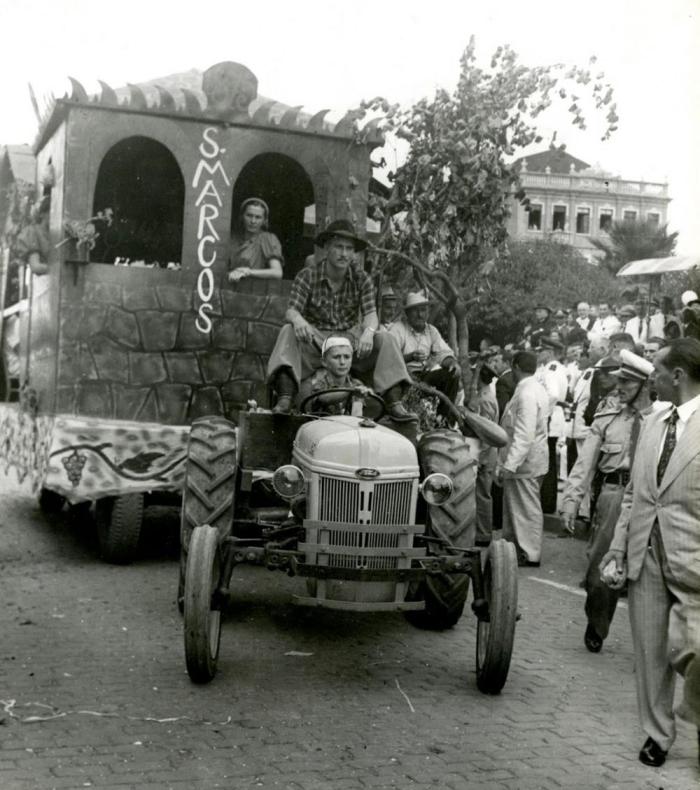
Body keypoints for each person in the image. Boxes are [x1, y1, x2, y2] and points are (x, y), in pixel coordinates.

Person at [600, 338, 700, 769]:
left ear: (677, 375)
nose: (651, 378)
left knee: (695, 651)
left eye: (657, 370)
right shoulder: (654, 424)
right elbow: (634, 496)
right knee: (651, 654)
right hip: (646, 556)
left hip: (694, 562)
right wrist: (618, 551)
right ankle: (657, 733)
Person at [266, 219, 416, 421]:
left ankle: (394, 402)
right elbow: (292, 310)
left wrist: (369, 333)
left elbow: (371, 315)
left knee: (386, 339)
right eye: (338, 247)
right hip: (316, 341)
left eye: (349, 249)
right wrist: (299, 320)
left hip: (349, 343)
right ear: (327, 248)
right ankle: (285, 397)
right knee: (288, 330)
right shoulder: (307, 276)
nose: (344, 254)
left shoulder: (362, 278)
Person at [561, 350, 654, 654]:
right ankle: (597, 622)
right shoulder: (607, 417)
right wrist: (572, 500)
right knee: (599, 570)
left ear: (644, 384)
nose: (619, 387)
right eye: (618, 381)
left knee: (651, 573)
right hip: (614, 495)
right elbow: (585, 462)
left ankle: (652, 644)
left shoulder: (662, 418)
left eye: (626, 382)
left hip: (651, 498)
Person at [494, 351, 550, 566]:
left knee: (525, 509)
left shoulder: (527, 392)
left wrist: (510, 464)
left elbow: (524, 433)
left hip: (525, 462)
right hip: (530, 460)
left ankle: (529, 552)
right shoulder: (535, 388)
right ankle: (516, 549)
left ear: (515, 366)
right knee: (517, 508)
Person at [389, 290, 461, 418]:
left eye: (423, 310)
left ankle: (443, 419)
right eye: (415, 311)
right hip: (403, 378)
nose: (420, 315)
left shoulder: (431, 331)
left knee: (452, 374)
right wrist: (410, 357)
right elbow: (389, 359)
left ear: (427, 312)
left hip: (425, 376)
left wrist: (452, 363)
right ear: (407, 313)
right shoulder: (397, 329)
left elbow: (443, 353)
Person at [535, 336, 568, 514]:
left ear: (549, 352)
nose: (539, 354)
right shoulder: (552, 368)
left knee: (547, 462)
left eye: (542, 351)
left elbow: (554, 394)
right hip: (554, 415)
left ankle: (547, 503)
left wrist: (543, 413)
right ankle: (547, 502)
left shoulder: (552, 369)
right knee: (548, 462)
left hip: (551, 416)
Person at [298, 336, 370, 416]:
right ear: (324, 362)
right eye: (336, 357)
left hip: (346, 426)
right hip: (322, 425)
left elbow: (356, 415)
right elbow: (324, 398)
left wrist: (358, 396)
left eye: (347, 357)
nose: (342, 362)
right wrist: (351, 392)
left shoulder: (356, 384)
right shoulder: (319, 382)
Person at [472, 356, 499, 546]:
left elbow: (487, 432)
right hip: (485, 453)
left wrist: (480, 458)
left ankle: (483, 534)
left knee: (482, 495)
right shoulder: (484, 396)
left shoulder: (485, 399)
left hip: (485, 454)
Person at [228, 198, 283, 282]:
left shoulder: (267, 238)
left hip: (254, 288)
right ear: (242, 216)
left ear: (264, 221)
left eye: (258, 217)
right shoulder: (233, 238)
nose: (253, 221)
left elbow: (277, 272)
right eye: (249, 215)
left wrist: (248, 272)